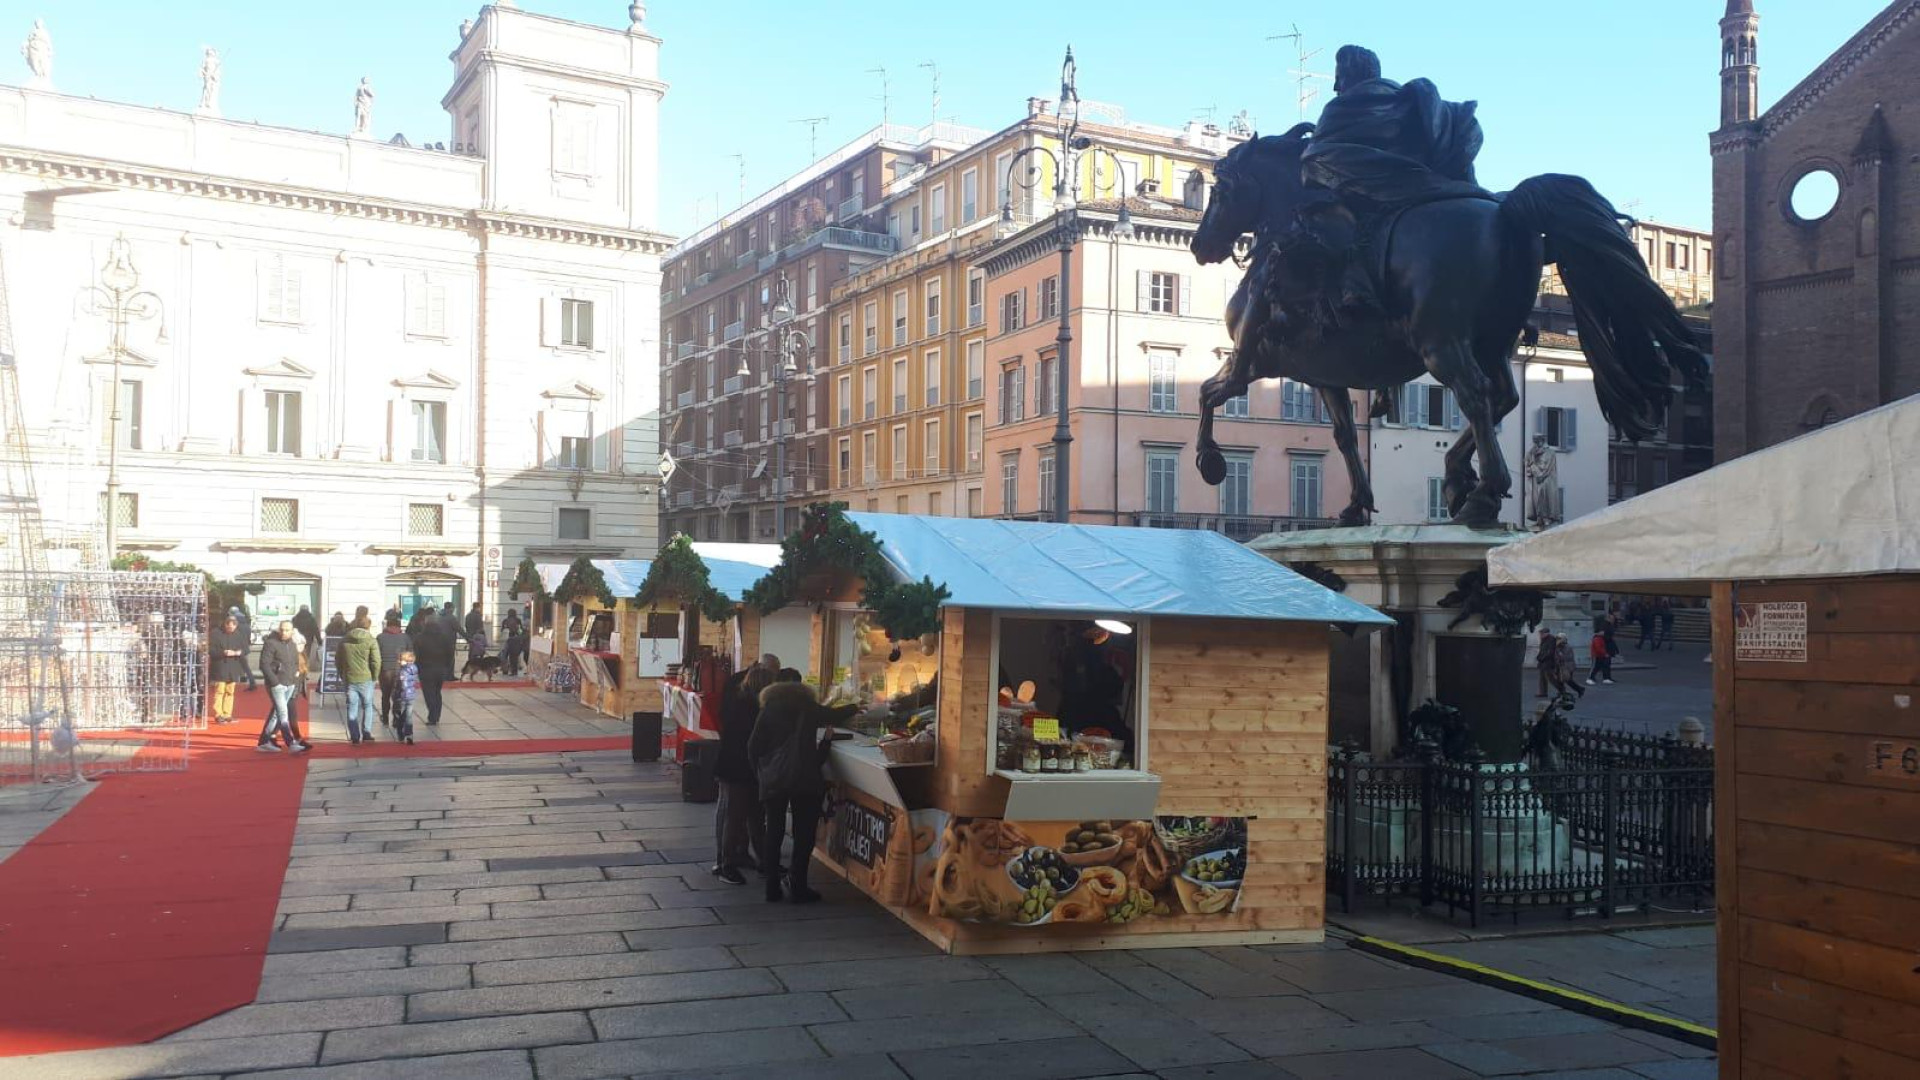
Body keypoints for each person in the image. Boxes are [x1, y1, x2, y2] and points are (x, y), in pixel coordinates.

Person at [748, 677, 858, 903]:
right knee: (804, 833)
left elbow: (753, 746)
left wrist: (762, 773)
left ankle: (772, 888)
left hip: (774, 780)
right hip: (805, 778)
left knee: (774, 831)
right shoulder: (808, 707)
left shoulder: (769, 709)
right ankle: (798, 885)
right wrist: (857, 706)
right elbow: (834, 715)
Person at [712, 666, 776, 885]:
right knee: (742, 817)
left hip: (734, 767)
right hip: (741, 769)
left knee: (748, 817)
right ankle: (728, 865)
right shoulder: (754, 709)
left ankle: (761, 861)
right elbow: (753, 742)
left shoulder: (738, 702)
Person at [258, 621, 309, 752]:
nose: (284, 632)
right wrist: (275, 682)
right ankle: (290, 743)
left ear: (292, 631)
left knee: (276, 714)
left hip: (289, 683)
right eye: (282, 629)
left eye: (287, 630)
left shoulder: (292, 644)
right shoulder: (271, 643)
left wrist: (293, 678)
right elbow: (264, 664)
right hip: (277, 684)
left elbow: (295, 663)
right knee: (282, 713)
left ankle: (264, 741)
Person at [338, 615, 381, 745]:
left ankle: (355, 736)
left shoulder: (344, 640)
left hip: (350, 677)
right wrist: (375, 676)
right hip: (366, 677)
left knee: (352, 706)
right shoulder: (371, 640)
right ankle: (366, 733)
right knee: (367, 705)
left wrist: (343, 674)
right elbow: (376, 661)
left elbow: (338, 660)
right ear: (368, 626)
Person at [413, 611, 456, 727]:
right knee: (437, 692)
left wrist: (417, 666)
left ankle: (433, 716)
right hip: (441, 668)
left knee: (429, 693)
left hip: (426, 669)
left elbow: (415, 654)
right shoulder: (444, 637)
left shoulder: (420, 637)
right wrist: (447, 665)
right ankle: (436, 715)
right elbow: (450, 653)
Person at [208, 613, 249, 724]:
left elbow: (246, 649)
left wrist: (239, 652)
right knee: (220, 691)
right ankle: (219, 714)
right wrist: (224, 652)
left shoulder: (239, 634)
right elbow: (210, 650)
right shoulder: (216, 634)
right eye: (228, 625)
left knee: (230, 692)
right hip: (220, 667)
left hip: (234, 667)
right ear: (225, 624)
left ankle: (227, 714)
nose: (231, 627)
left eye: (233, 625)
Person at [376, 615, 412, 728]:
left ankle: (385, 718)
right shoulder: (405, 637)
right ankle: (396, 719)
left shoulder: (380, 637)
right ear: (399, 626)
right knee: (397, 696)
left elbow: (376, 655)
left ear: (387, 626)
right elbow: (410, 654)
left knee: (385, 695)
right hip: (399, 670)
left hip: (385, 670)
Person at [393, 649, 421, 745]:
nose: (398, 661)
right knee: (408, 716)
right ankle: (409, 734)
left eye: (400, 660)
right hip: (411, 695)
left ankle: (401, 735)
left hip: (402, 696)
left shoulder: (403, 671)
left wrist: (398, 692)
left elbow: (403, 684)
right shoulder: (414, 669)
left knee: (399, 716)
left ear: (406, 661)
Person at [1551, 634, 1585, 700]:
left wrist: (1559, 655)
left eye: (1559, 639)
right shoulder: (1558, 647)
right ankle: (1561, 693)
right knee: (1559, 681)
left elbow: (1566, 657)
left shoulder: (1567, 647)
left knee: (1568, 680)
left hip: (1567, 667)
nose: (1557, 640)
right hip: (1560, 666)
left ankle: (1580, 689)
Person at [233, 606, 256, 689]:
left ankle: (239, 681)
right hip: (245, 648)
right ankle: (251, 682)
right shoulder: (247, 626)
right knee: (246, 667)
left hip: (237, 648)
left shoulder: (236, 626)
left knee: (234, 666)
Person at [1535, 628, 1556, 699]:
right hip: (1543, 662)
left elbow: (1550, 652)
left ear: (1546, 633)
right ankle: (1543, 692)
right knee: (1542, 678)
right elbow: (1542, 650)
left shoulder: (1551, 640)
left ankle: (1562, 690)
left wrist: (1542, 658)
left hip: (1548, 662)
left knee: (1551, 678)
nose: (1540, 635)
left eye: (1542, 633)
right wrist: (1539, 657)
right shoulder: (1544, 640)